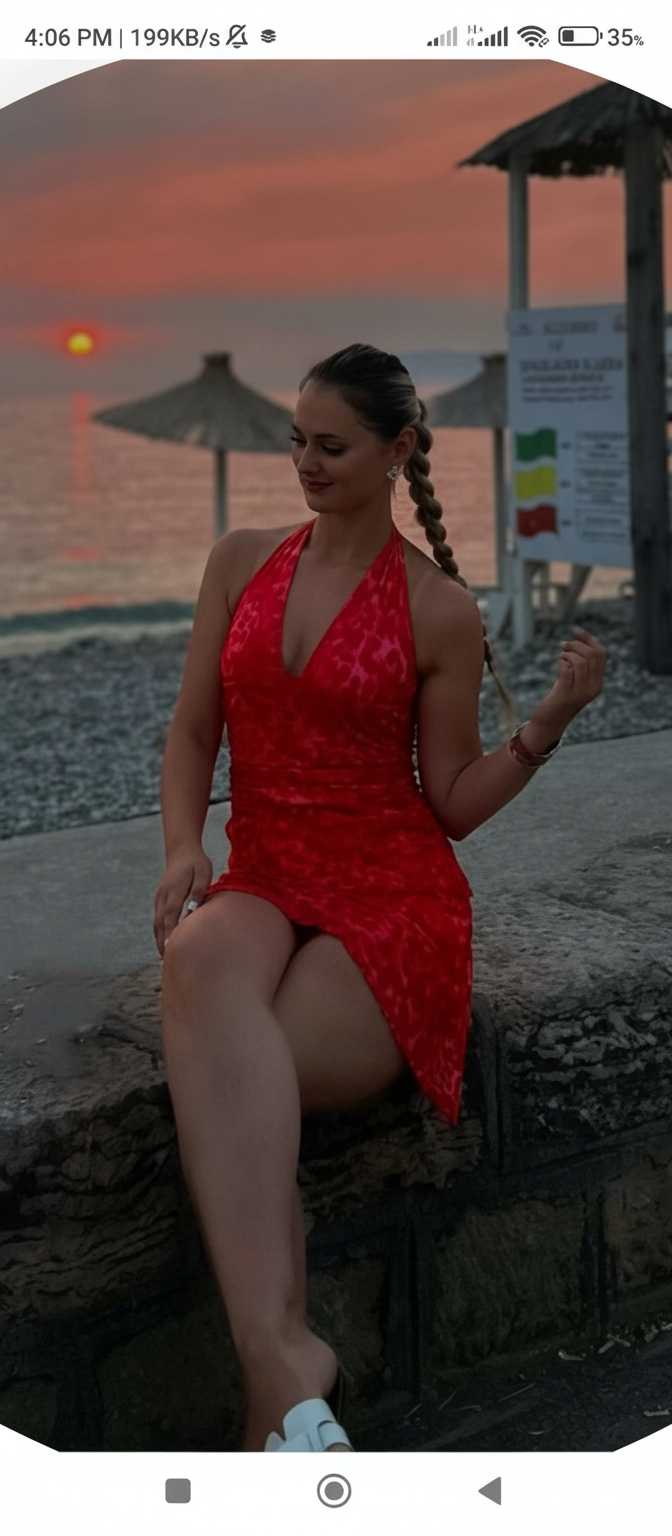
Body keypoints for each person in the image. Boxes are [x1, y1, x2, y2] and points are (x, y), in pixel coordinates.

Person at [153, 343, 606, 1453]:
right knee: (201, 964)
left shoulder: (437, 607)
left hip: (390, 898)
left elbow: (449, 799)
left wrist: (545, 726)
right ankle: (290, 1363)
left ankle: (279, 1395)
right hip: (263, 867)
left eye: (332, 445)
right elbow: (193, 729)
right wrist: (180, 847)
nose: (304, 462)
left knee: (234, 1079)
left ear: (398, 451)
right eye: (296, 439)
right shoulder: (238, 560)